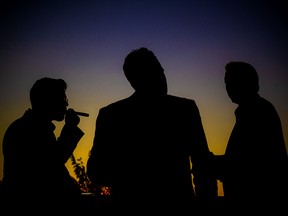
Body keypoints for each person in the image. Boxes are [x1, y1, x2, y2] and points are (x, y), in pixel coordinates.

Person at [86, 47, 218, 213]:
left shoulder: (111, 114)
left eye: (161, 71)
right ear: (135, 80)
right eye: (154, 73)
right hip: (178, 208)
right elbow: (203, 166)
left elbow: (97, 172)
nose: (162, 78)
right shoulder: (184, 109)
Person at [211, 61, 288, 213]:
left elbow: (248, 163)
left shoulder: (258, 112)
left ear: (247, 82)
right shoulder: (253, 110)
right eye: (226, 82)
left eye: (231, 81)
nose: (228, 86)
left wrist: (214, 164)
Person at [1, 77, 84, 213]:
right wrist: (70, 128)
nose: (66, 105)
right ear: (48, 100)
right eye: (63, 99)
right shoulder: (30, 128)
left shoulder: (31, 126)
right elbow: (53, 162)